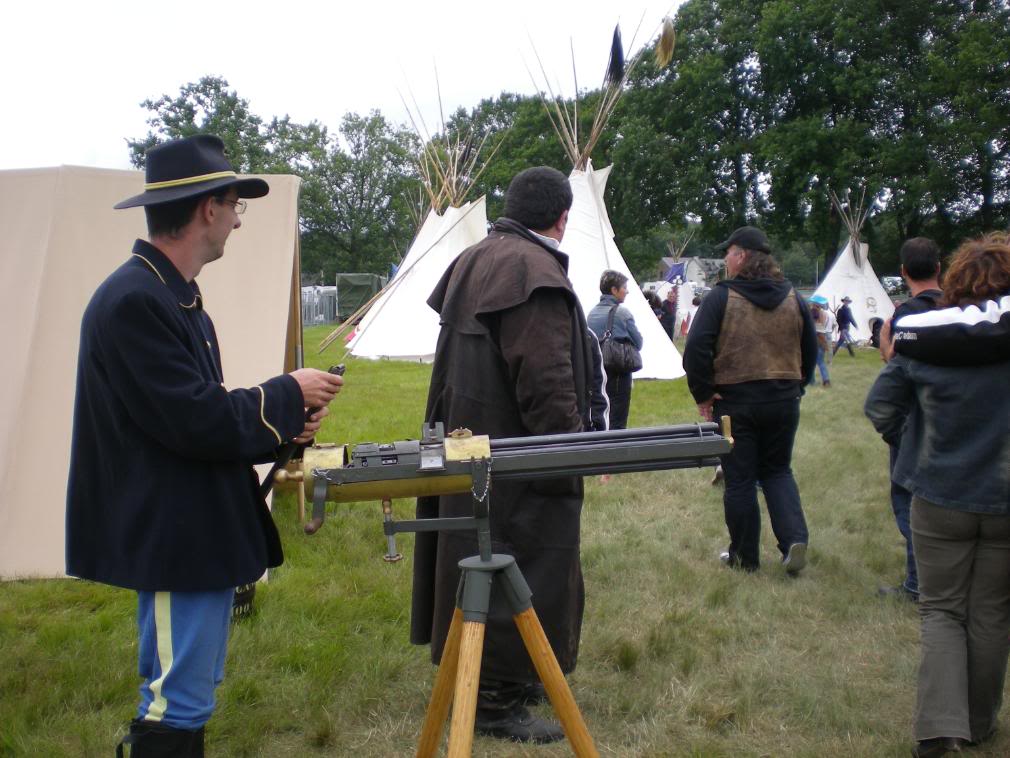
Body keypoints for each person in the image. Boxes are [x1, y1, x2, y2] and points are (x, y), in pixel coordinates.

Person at [65, 135, 345, 756]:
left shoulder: (170, 293)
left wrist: (286, 418)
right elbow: (193, 419)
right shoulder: (136, 299)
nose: (239, 219)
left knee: (186, 695)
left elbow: (188, 411)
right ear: (207, 209)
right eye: (234, 203)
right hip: (172, 532)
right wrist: (286, 392)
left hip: (189, 525)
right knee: (174, 705)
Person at [409, 166, 599, 744]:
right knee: (524, 559)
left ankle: (510, 678)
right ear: (562, 218)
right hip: (516, 456)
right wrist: (564, 452)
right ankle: (494, 697)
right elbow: (545, 380)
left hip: (474, 445)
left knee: (484, 552)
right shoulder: (531, 270)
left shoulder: (476, 258)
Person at [864, 233, 1010, 757]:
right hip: (1004, 496)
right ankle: (978, 722)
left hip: (939, 493)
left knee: (943, 610)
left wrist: (915, 447)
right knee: (992, 611)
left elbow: (880, 408)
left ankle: (938, 729)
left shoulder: (929, 341)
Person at [684, 226, 817, 573]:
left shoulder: (721, 297)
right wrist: (798, 386)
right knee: (777, 471)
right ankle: (793, 541)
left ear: (741, 256)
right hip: (784, 399)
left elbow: (696, 347)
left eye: (728, 253)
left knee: (740, 478)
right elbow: (810, 348)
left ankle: (744, 557)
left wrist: (703, 392)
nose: (725, 260)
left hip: (736, 401)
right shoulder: (793, 297)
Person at [876, 237, 943, 603]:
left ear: (903, 272)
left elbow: (898, 372)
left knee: (907, 499)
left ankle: (919, 581)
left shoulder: (907, 314)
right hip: (948, 417)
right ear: (938, 266)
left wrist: (886, 345)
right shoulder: (958, 308)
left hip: (912, 419)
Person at [587, 270, 644, 430]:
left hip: (598, 371)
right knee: (618, 417)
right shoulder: (623, 313)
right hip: (619, 371)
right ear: (614, 290)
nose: (627, 291)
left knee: (601, 413)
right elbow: (638, 342)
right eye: (624, 287)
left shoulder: (591, 314)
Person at [808, 295, 835, 387]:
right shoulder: (823, 314)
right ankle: (825, 380)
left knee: (812, 362)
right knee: (820, 362)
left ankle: (813, 381)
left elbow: (818, 331)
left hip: (815, 340)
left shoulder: (816, 313)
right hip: (819, 339)